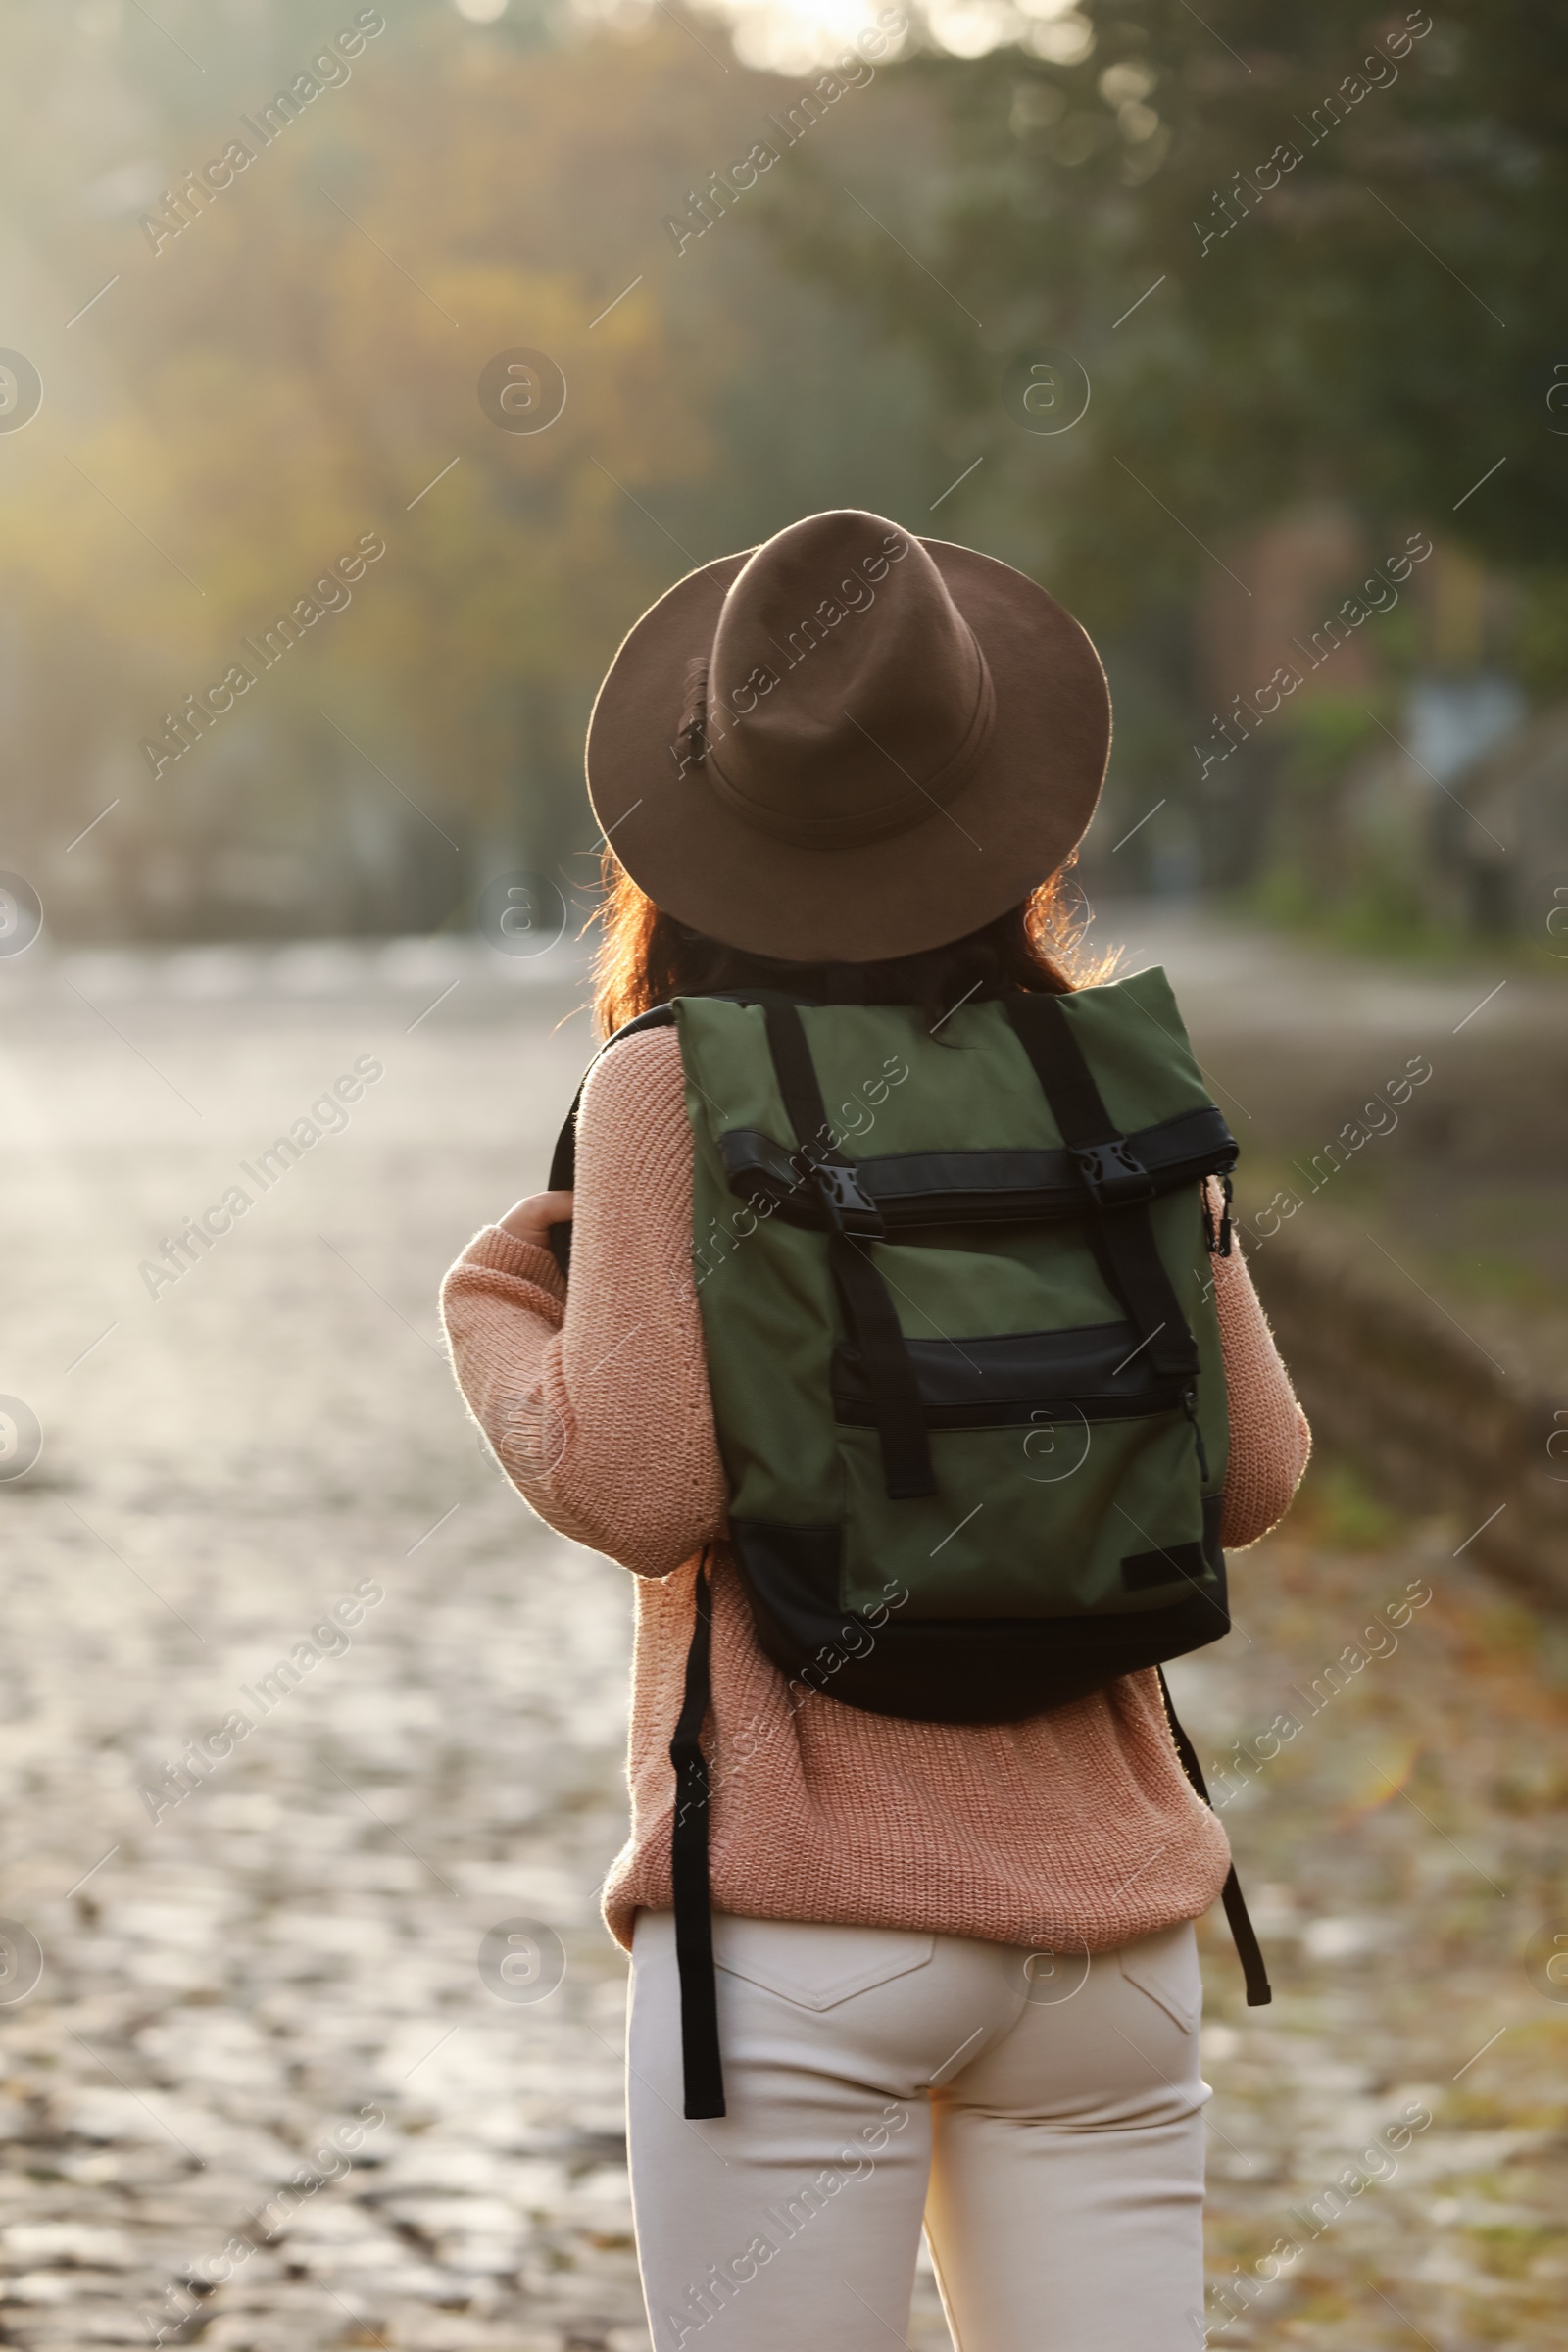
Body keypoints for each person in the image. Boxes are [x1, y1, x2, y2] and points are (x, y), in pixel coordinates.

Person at [441, 509, 1310, 2352]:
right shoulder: (1100, 1067)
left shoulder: (672, 1084)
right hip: (1113, 1936)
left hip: (805, 1929)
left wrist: (501, 1314)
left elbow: (649, 1487)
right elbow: (1257, 1474)